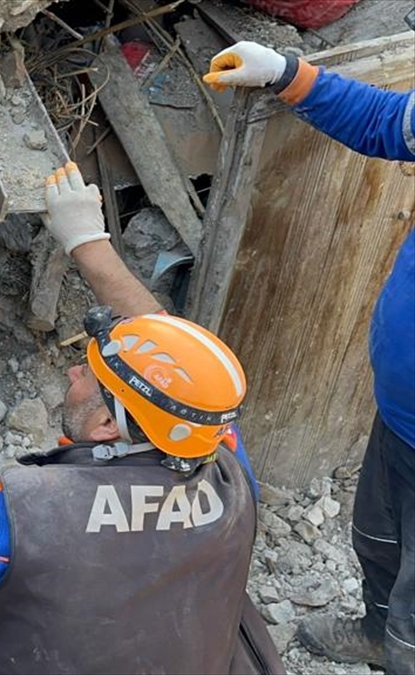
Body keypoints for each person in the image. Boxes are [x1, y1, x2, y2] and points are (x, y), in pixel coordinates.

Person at [0, 162, 283, 674]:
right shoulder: (229, 468)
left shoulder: (19, 509)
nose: (75, 371)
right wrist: (88, 244)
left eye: (90, 377)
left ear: (106, 428)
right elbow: (178, 366)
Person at [205, 40, 415, 674]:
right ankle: (382, 633)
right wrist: (288, 75)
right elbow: (387, 123)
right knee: (378, 536)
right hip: (401, 413)